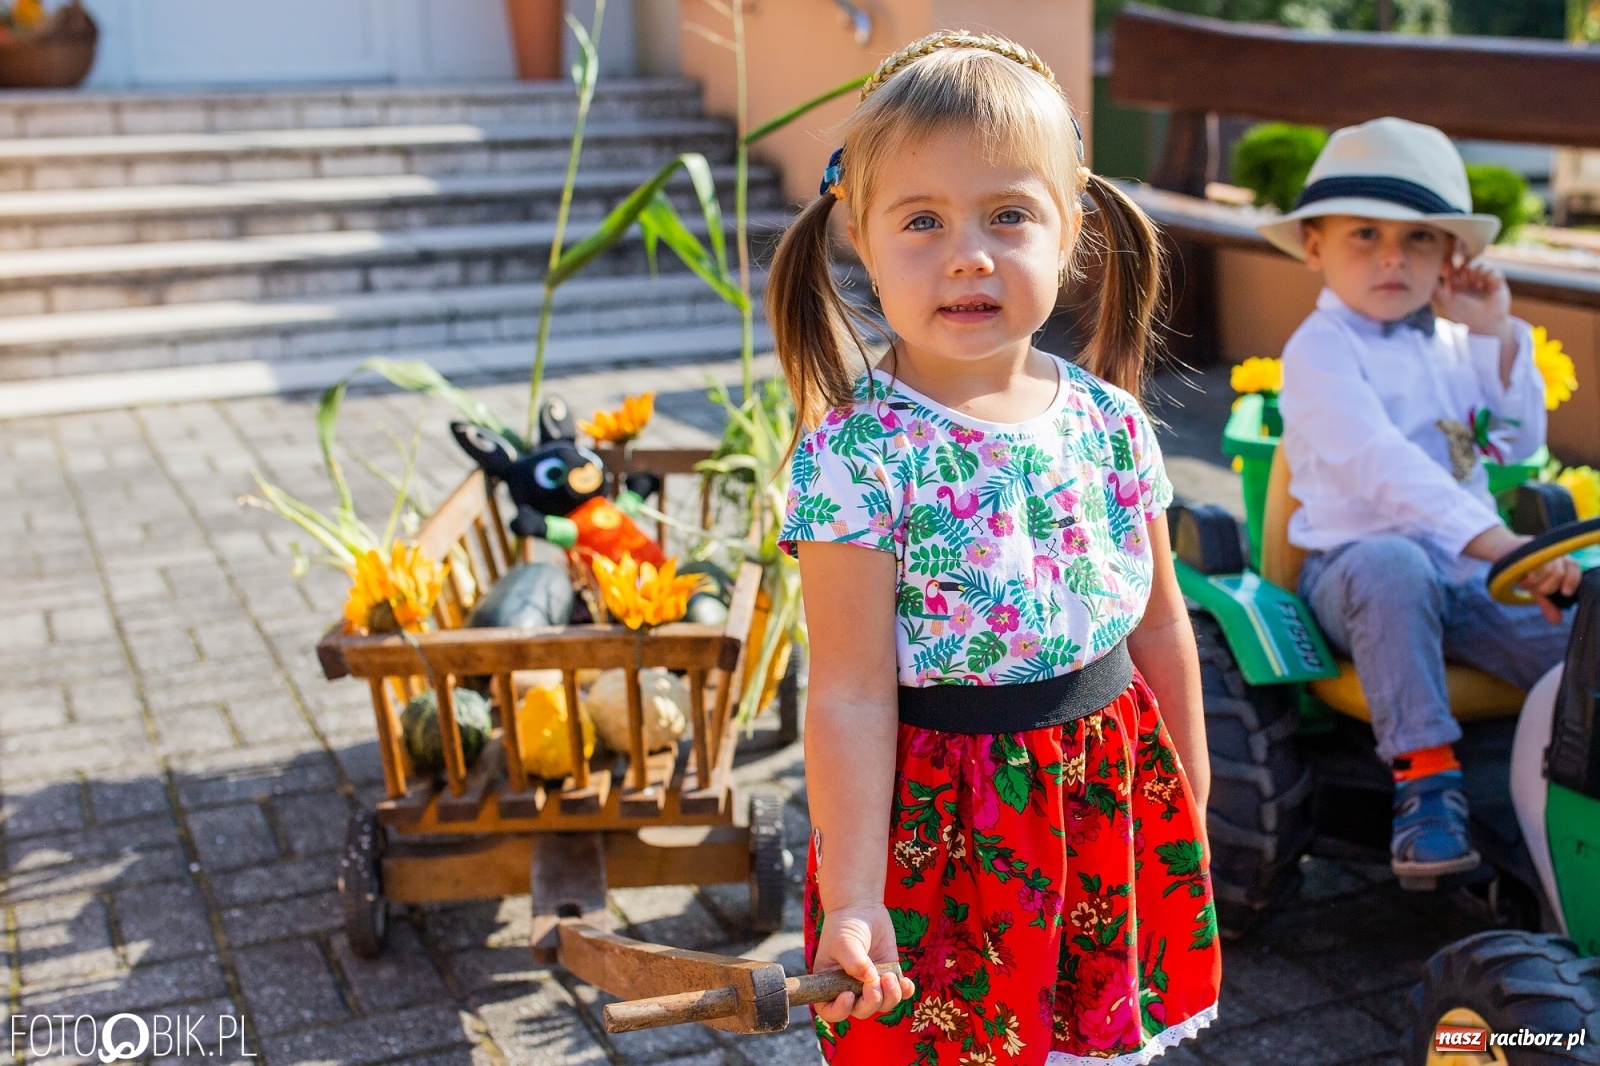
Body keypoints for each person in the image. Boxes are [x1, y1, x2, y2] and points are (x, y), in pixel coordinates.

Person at [771, 31, 1221, 1065]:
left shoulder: (1109, 422)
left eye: (1008, 215)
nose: (968, 254)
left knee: (1089, 1039)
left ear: (1071, 232)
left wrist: (1189, 788)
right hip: (948, 832)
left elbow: (1160, 621)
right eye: (921, 220)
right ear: (860, 238)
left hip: (1105, 795)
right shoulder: (859, 453)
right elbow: (848, 693)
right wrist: (854, 895)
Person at [1259, 117, 1582, 882]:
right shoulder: (1318, 350)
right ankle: (1428, 783)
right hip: (1352, 575)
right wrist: (1501, 545)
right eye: (1366, 234)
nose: (1393, 257)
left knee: (1584, 631)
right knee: (1394, 564)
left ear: (1450, 258)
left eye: (1420, 239)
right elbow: (1384, 467)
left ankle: (1571, 785)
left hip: (1467, 576)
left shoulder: (1451, 344)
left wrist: (1495, 332)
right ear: (1314, 246)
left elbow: (1511, 440)